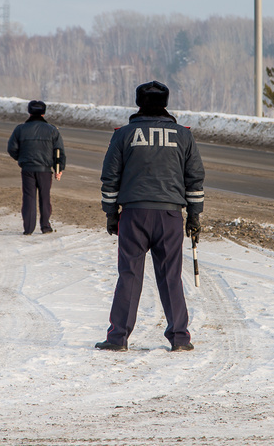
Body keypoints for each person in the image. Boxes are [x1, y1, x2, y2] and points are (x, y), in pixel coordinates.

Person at [96, 80, 205, 352]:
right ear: (166, 104)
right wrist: (194, 217)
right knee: (171, 277)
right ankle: (180, 338)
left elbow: (110, 178)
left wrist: (111, 214)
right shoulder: (183, 135)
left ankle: (118, 338)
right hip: (170, 216)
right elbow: (194, 180)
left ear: (138, 103)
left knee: (129, 276)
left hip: (133, 215)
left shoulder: (123, 135)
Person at [7, 100, 66, 235]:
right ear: (43, 114)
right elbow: (59, 151)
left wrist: (21, 158)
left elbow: (12, 148)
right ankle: (45, 227)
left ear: (29, 112)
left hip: (27, 169)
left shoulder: (20, 129)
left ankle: (28, 228)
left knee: (29, 198)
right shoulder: (52, 130)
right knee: (45, 198)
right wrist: (59, 169)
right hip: (45, 170)